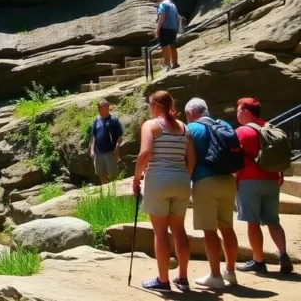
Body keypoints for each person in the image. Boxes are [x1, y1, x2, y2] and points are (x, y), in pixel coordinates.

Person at [133, 90, 194, 292]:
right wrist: (183, 176)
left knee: (160, 233)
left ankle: (163, 280)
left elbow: (144, 154)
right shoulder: (185, 128)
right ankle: (183, 278)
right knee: (179, 230)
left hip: (158, 179)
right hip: (181, 180)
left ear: (156, 106)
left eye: (150, 105)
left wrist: (136, 179)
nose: (149, 109)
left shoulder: (151, 125)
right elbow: (191, 160)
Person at [184, 98, 240, 288]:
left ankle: (215, 276)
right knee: (227, 227)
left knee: (210, 231)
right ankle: (230, 272)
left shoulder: (192, 129)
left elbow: (186, 157)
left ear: (191, 113)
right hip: (228, 180)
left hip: (205, 181)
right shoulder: (223, 124)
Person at [235, 97, 293, 274]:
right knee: (273, 220)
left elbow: (236, 158)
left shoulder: (242, 132)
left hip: (249, 181)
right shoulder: (270, 128)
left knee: (252, 222)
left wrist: (233, 179)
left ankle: (258, 261)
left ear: (245, 111)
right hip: (272, 179)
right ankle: (283, 256)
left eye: (238, 109)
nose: (236, 113)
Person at [89, 99, 124, 184]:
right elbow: (94, 136)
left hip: (110, 152)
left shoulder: (114, 120)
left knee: (113, 175)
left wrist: (117, 148)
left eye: (100, 106)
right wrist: (92, 150)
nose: (98, 108)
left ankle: (116, 192)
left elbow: (120, 136)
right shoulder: (96, 121)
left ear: (107, 107)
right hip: (98, 153)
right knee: (101, 174)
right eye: (98, 106)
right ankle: (106, 193)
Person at [154, 0, 180, 70]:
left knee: (164, 46)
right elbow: (178, 17)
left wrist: (157, 29)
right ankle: (175, 63)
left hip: (165, 28)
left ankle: (167, 64)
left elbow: (162, 16)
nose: (157, 0)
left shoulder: (163, 4)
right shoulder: (173, 5)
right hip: (173, 28)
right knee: (172, 45)